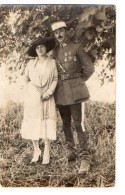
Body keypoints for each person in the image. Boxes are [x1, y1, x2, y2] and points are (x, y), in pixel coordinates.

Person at [51, 21, 95, 174]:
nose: (59, 35)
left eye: (61, 31)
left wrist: (79, 81)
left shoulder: (76, 47)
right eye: (56, 33)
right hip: (61, 92)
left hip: (76, 92)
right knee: (65, 123)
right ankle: (71, 151)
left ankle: (84, 158)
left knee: (79, 125)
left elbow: (90, 68)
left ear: (67, 32)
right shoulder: (55, 52)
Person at [21, 36, 58, 164]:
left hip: (47, 96)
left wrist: (48, 92)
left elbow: (55, 79)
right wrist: (29, 92)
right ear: (35, 50)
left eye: (42, 46)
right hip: (33, 98)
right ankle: (36, 150)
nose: (40, 49)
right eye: (37, 47)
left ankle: (47, 151)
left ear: (46, 47)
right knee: (33, 123)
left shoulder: (52, 62)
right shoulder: (31, 64)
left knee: (46, 122)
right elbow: (26, 79)